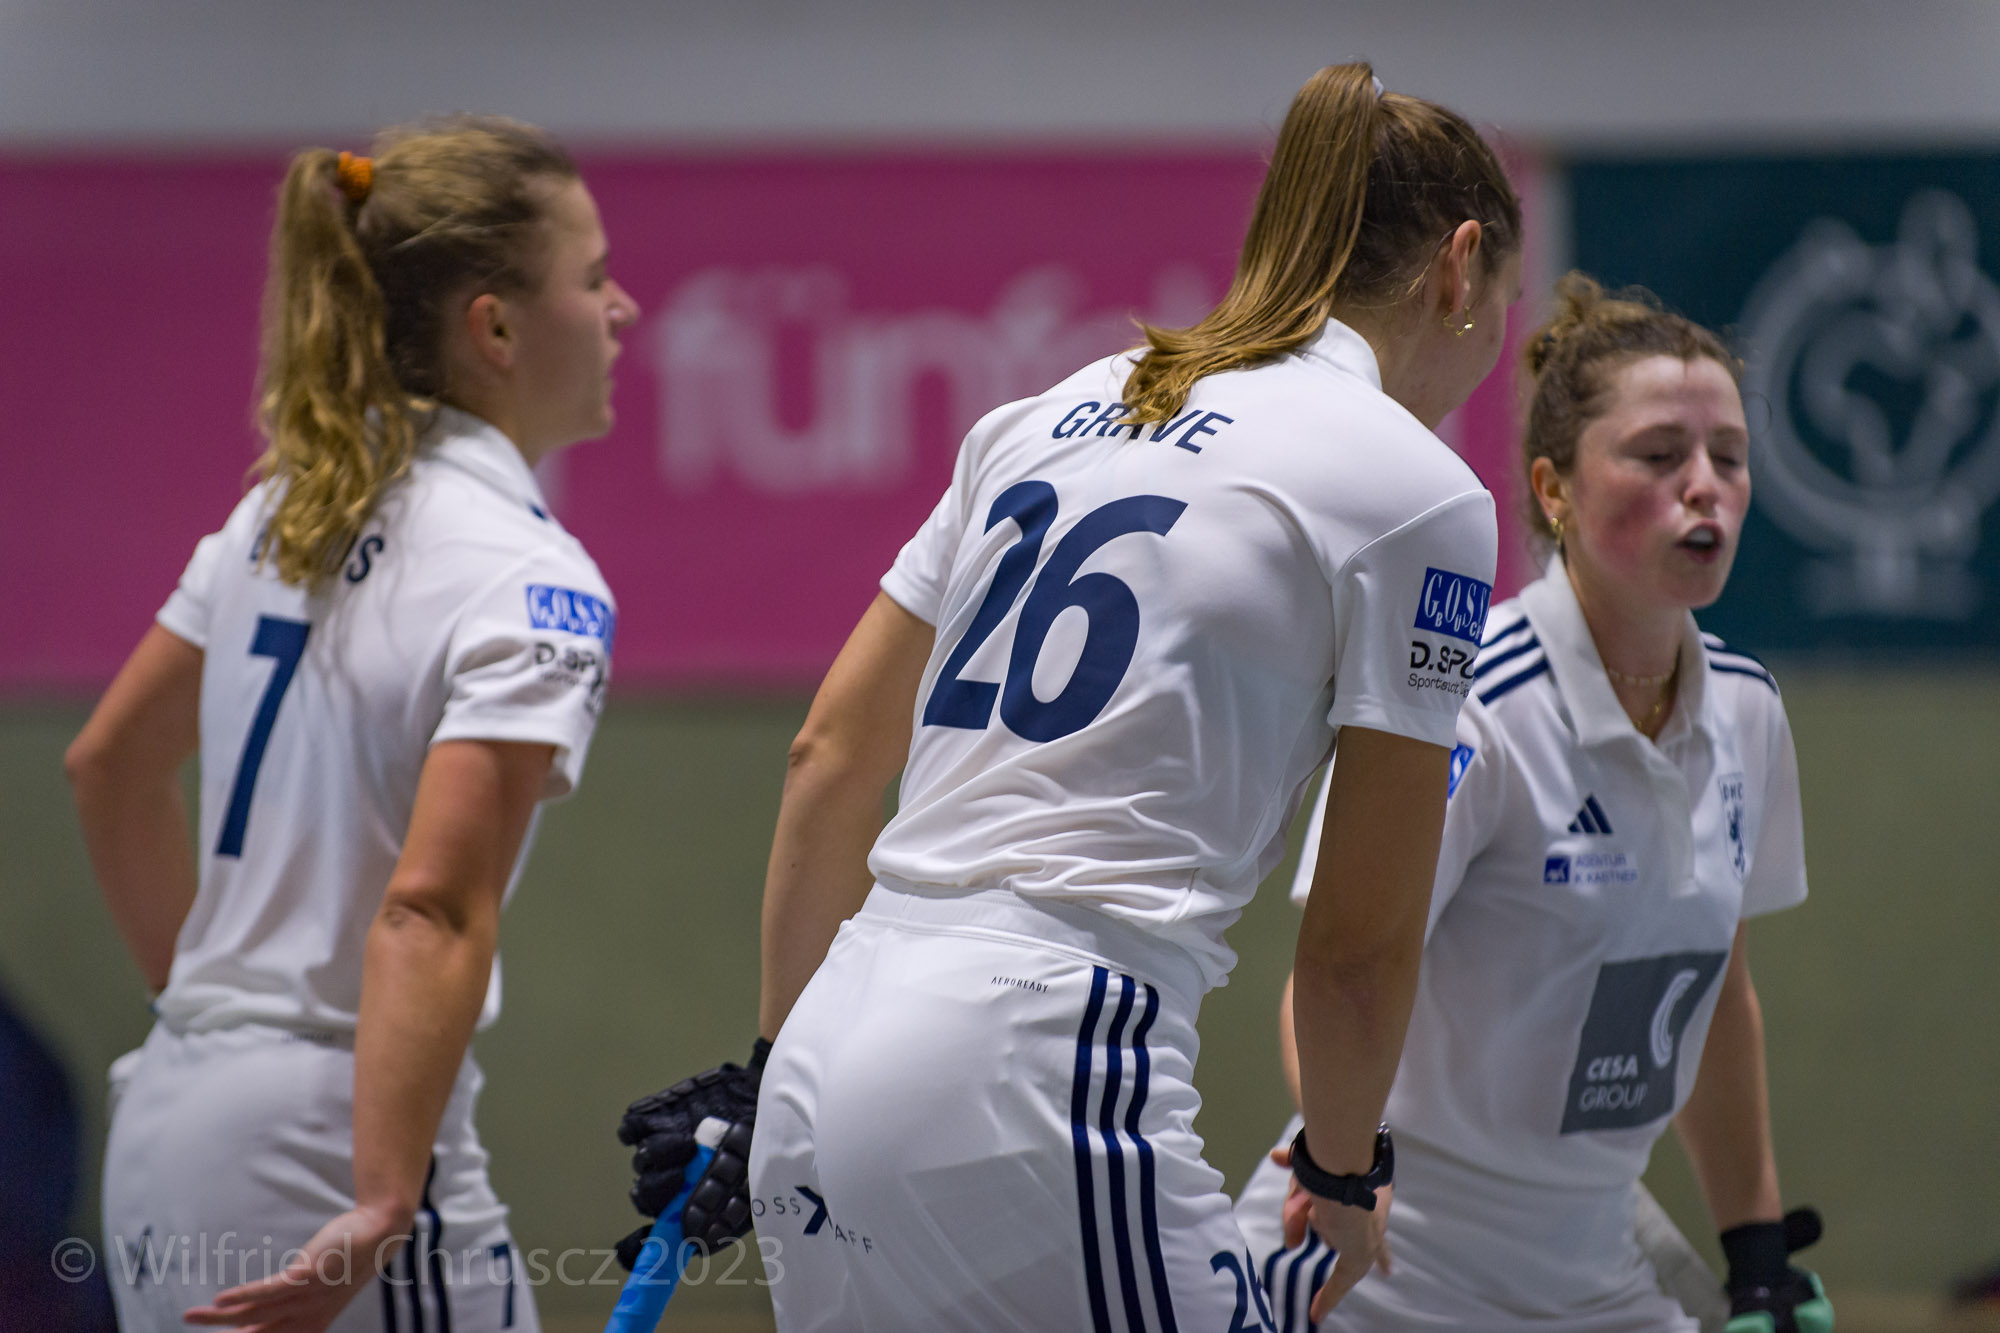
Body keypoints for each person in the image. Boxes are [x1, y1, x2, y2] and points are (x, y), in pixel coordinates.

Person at [616, 62, 1521, 1330]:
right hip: (1039, 1065)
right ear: (1458, 267)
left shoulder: (1045, 410)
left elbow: (827, 753)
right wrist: (1340, 1169)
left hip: (826, 1055)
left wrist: (770, 1072)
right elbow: (1357, 944)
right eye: (1503, 305)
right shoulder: (1419, 492)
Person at [65, 116, 637, 1333]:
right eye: (591, 279)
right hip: (328, 1143)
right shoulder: (529, 574)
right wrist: (382, 1196)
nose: (620, 309)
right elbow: (430, 907)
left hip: (170, 1113)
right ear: (494, 329)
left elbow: (107, 767)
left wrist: (216, 1009)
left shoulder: (280, 513)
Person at [1233, 275, 1834, 1333]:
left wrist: (1755, 1253)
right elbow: (1329, 978)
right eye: (1659, 454)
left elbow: (1715, 995)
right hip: (1380, 1267)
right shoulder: (1467, 709)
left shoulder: (1747, 710)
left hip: (1595, 1275)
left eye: (1729, 456)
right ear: (1552, 489)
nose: (1704, 486)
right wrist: (1342, 1170)